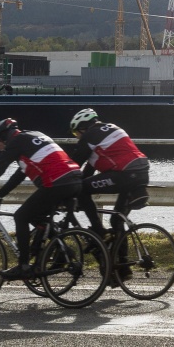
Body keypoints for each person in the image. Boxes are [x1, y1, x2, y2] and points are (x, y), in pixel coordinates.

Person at [0, 117, 86, 281]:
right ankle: (62, 252)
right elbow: (18, 175)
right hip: (74, 180)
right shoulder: (32, 137)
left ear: (3, 137)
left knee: (21, 216)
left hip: (57, 183)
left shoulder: (17, 141)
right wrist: (0, 194)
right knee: (37, 217)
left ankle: (23, 266)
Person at [65, 108, 152, 272]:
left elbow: (74, 165)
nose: (78, 138)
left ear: (83, 128)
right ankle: (123, 267)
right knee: (117, 220)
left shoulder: (90, 136)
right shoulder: (110, 129)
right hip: (141, 173)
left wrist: (69, 189)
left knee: (83, 190)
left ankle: (99, 230)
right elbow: (87, 172)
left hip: (125, 175)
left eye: (77, 134)